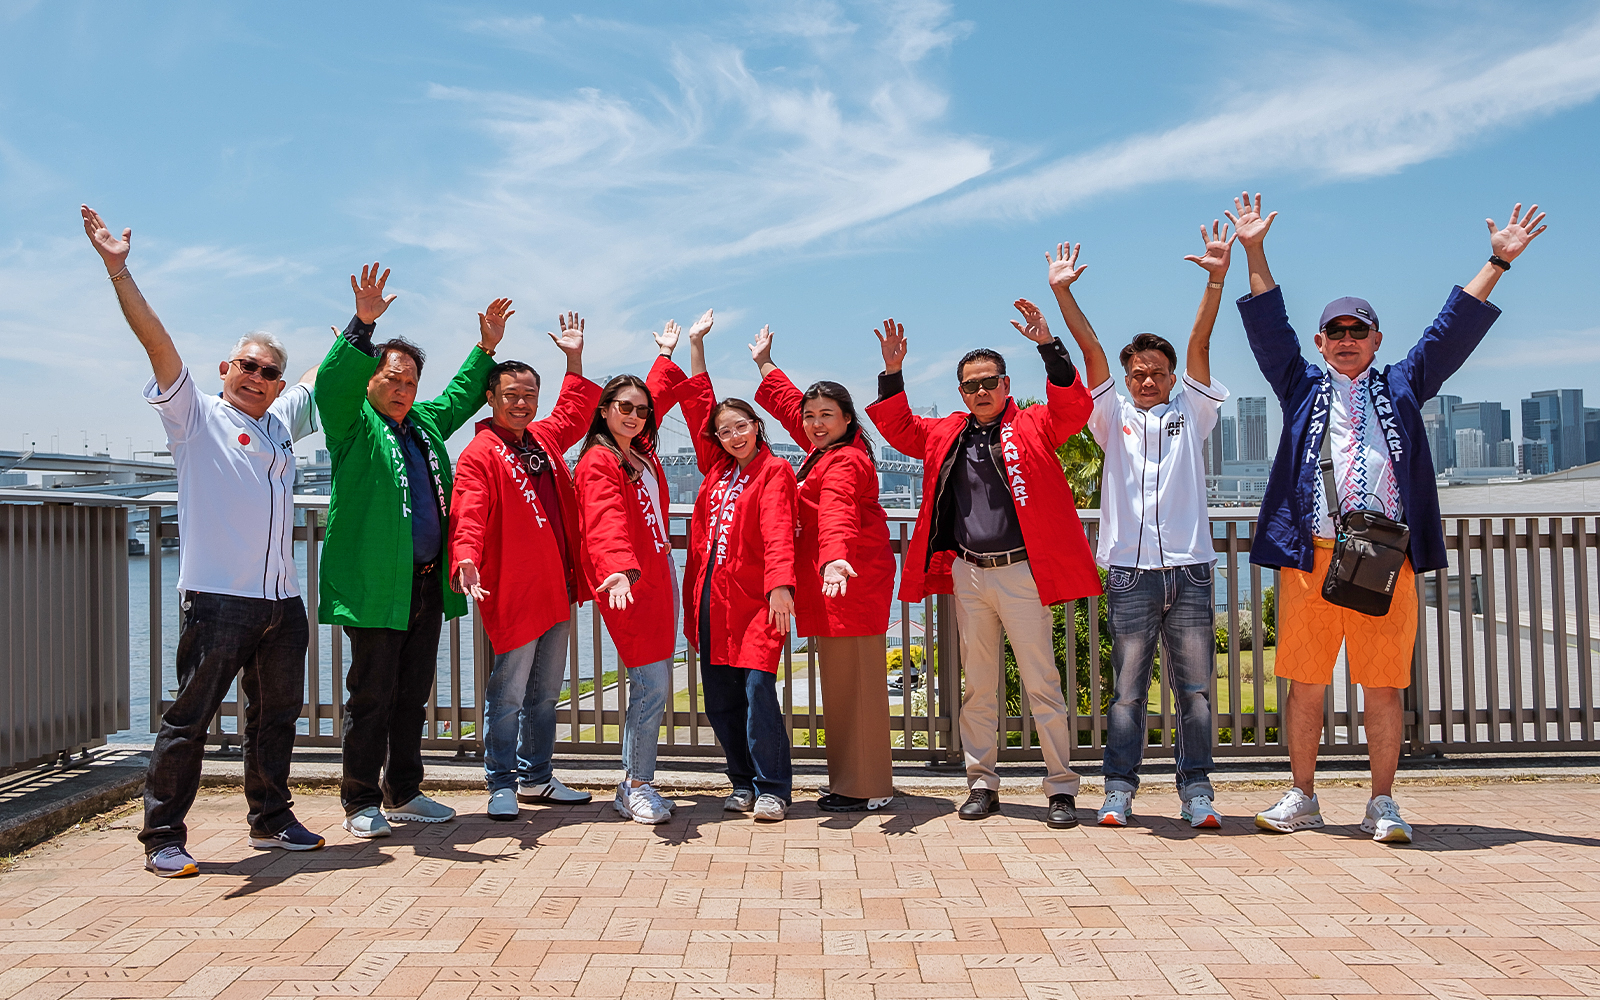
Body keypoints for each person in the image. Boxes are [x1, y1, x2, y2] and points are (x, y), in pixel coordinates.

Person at [1233, 193, 1547, 844]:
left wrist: (1497, 261)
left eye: (1359, 331)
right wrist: (1254, 250)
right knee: (1306, 685)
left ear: (1376, 340)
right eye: (1337, 333)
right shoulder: (1301, 385)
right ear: (1322, 343)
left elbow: (1450, 329)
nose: (1347, 341)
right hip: (1311, 555)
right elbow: (1268, 328)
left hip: (1384, 557)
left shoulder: (1403, 384)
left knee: (1382, 686)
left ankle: (1382, 803)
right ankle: (1304, 795)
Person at [82, 205, 325, 876]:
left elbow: (313, 384)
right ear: (226, 366)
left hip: (282, 601)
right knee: (188, 719)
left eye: (269, 372)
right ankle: (162, 835)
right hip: (220, 599)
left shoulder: (277, 423)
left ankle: (271, 819)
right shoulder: (196, 418)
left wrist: (357, 329)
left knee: (276, 718)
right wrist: (119, 270)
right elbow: (159, 344)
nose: (258, 377)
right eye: (248, 366)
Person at [866, 306, 1100, 828]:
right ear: (961, 392)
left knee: (1042, 682)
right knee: (977, 686)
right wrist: (892, 372)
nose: (980, 392)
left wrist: (1048, 346)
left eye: (989, 382)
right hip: (969, 573)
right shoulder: (947, 432)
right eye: (970, 386)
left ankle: (1061, 789)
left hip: (1022, 573)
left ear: (1005, 383)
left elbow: (1073, 407)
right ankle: (981, 783)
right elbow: (899, 428)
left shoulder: (1035, 424)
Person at [1046, 229, 1233, 830]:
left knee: (1197, 693)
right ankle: (1119, 789)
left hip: (1191, 569)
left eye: (1156, 371)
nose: (1146, 379)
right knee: (1127, 691)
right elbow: (1091, 354)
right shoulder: (1109, 416)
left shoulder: (1192, 412)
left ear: (1172, 376)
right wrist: (1063, 295)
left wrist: (1215, 279)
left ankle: (1196, 790)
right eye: (1137, 372)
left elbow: (1200, 340)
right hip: (1129, 573)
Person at [316, 263, 507, 839]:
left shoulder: (422, 424)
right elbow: (331, 385)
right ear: (370, 380)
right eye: (392, 379)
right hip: (378, 583)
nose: (402, 391)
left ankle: (403, 790)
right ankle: (359, 800)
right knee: (371, 693)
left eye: (409, 383)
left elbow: (458, 398)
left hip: (425, 580)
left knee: (412, 692)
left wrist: (485, 349)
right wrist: (362, 325)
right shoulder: (352, 424)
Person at [448, 311, 599, 820]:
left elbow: (575, 413)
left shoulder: (542, 440)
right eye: (511, 394)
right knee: (508, 692)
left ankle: (536, 777)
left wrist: (574, 358)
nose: (522, 403)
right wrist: (466, 558)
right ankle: (500, 781)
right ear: (491, 398)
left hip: (556, 586)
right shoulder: (479, 454)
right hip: (512, 588)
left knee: (545, 691)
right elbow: (467, 512)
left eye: (530, 394)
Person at [576, 309, 714, 825]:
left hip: (657, 579)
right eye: (623, 408)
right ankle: (635, 784)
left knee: (652, 680)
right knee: (652, 683)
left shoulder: (641, 450)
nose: (634, 415)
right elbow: (604, 518)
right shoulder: (599, 460)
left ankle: (632, 781)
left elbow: (655, 394)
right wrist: (616, 568)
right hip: (627, 584)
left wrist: (669, 355)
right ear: (604, 410)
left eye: (640, 409)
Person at [751, 327, 897, 812]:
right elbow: (795, 406)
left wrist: (835, 557)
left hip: (849, 582)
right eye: (810, 417)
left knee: (855, 687)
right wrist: (766, 366)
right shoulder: (827, 447)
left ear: (847, 419)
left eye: (825, 416)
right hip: (841, 583)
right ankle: (854, 780)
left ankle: (867, 787)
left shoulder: (844, 462)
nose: (813, 424)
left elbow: (836, 511)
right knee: (843, 684)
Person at [682, 371, 800, 822]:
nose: (734, 436)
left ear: (758, 426)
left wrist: (780, 585)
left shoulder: (773, 470)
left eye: (742, 425)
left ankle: (773, 787)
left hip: (757, 599)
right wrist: (694, 350)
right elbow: (698, 409)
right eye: (724, 430)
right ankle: (742, 781)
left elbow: (776, 531)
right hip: (712, 597)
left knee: (757, 689)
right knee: (719, 697)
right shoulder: (717, 471)